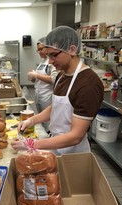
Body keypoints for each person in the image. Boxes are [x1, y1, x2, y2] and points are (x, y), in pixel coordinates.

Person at [12, 26, 104, 155]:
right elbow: (55, 107)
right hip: (55, 145)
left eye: (54, 55)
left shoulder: (89, 84)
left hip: (73, 154)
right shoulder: (62, 75)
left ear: (72, 50)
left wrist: (32, 144)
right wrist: (31, 120)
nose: (50, 61)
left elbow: (75, 136)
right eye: (48, 55)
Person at [27, 38, 59, 132]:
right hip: (39, 94)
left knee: (48, 121)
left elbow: (54, 79)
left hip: (47, 96)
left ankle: (49, 138)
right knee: (42, 120)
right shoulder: (43, 62)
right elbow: (39, 79)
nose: (39, 52)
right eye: (38, 50)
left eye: (42, 49)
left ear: (48, 47)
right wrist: (33, 78)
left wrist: (36, 75)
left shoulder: (52, 62)